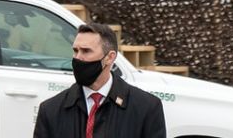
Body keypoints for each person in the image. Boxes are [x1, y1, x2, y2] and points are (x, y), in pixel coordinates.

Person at [34, 22, 166, 137]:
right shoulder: (51, 110)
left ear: (109, 57)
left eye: (86, 51)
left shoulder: (146, 108)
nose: (78, 57)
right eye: (75, 50)